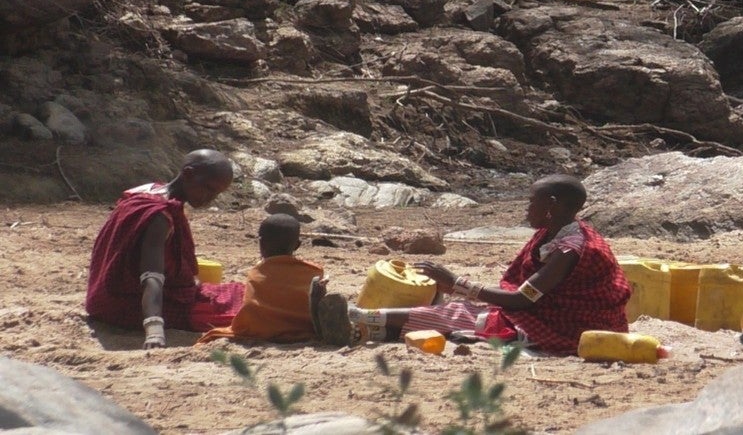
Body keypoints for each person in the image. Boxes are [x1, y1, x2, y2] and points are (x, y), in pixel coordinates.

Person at [313, 174, 631, 355]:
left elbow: (524, 299)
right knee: (464, 315)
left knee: (463, 314)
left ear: (551, 206)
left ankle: (357, 317)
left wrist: (458, 283)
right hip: (558, 314)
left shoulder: (569, 249)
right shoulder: (558, 233)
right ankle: (362, 328)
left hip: (570, 328)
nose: (527, 208)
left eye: (532, 201)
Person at [86, 149, 246, 348]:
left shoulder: (148, 191)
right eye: (208, 189)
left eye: (216, 194)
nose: (209, 198)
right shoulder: (160, 217)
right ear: (188, 174)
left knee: (240, 292)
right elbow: (151, 276)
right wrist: (154, 329)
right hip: (130, 306)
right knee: (244, 309)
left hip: (103, 297)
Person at [197, 214, 324, 344]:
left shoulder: (257, 272)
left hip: (259, 329)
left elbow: (250, 310)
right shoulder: (314, 271)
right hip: (302, 328)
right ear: (297, 245)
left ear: (261, 242)